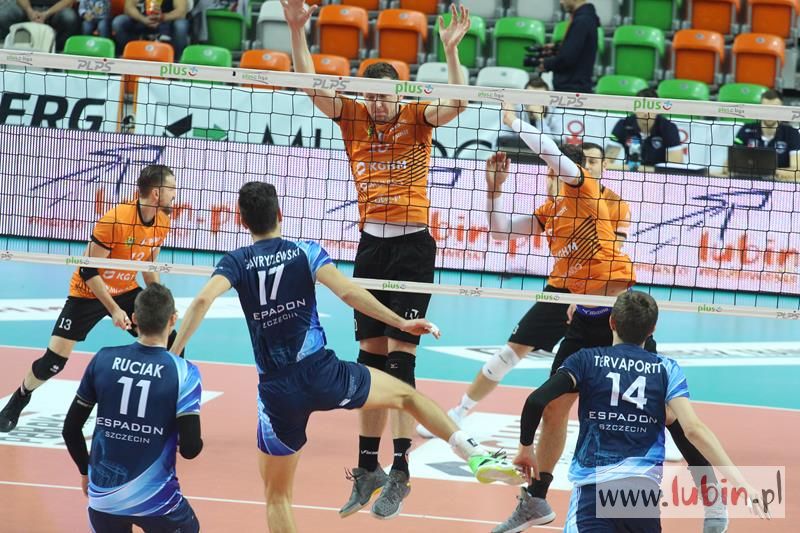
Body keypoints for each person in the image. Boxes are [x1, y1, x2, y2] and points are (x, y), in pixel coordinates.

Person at [169, 181, 523, 532]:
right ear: (280, 214)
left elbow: (201, 301)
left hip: (278, 393)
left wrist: (173, 357)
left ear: (242, 220)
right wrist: (400, 322)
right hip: (324, 375)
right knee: (407, 396)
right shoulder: (305, 251)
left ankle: (375, 469)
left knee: (277, 498)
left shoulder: (235, 261)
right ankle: (473, 453)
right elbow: (350, 293)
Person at [282, 0, 474, 518]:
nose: (378, 105)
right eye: (371, 97)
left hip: (412, 248)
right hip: (371, 245)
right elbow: (309, 84)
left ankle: (402, 470)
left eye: (385, 97)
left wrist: (451, 52)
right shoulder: (354, 117)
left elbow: (458, 103)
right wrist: (298, 30)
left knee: (400, 358)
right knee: (368, 357)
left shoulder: (417, 115)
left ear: (399, 94)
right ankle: (368, 467)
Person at [493, 291, 770, 532]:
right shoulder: (666, 368)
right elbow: (695, 430)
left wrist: (525, 448)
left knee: (668, 414)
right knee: (671, 414)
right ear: (653, 330)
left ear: (611, 322)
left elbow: (535, 400)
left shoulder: (586, 361)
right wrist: (743, 483)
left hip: (594, 491)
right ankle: (536, 498)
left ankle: (712, 499)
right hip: (639, 494)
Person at [416, 141, 632, 439]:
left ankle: (656, 428)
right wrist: (494, 190)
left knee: (627, 363)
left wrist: (587, 297)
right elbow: (500, 231)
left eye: (594, 162)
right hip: (559, 291)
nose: (589, 167)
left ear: (601, 167)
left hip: (598, 292)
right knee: (509, 353)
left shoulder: (612, 203)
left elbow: (610, 252)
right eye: (550, 174)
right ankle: (459, 413)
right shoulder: (552, 207)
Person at [0, 165, 179, 433]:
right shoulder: (116, 220)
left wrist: (163, 302)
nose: (175, 193)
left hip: (125, 289)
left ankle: (168, 411)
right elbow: (88, 270)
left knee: (172, 339)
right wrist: (115, 310)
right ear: (156, 193)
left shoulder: (162, 221)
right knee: (52, 363)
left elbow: (148, 265)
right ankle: (20, 397)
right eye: (172, 188)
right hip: (88, 292)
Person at [62, 283, 203, 533]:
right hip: (158, 501)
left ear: (135, 318)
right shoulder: (184, 372)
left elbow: (70, 429)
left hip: (103, 498)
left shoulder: (103, 359)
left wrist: (86, 472)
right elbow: (190, 449)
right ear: (173, 319)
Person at [730, 89, 800, 182]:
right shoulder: (746, 130)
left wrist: (768, 172)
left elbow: (797, 171)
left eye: (775, 110)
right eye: (766, 109)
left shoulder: (792, 133)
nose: (770, 114)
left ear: (782, 110)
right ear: (759, 110)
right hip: (748, 183)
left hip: (779, 185)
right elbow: (729, 165)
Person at [607, 88, 684, 169]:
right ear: (634, 109)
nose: (645, 113)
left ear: (658, 110)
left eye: (650, 108)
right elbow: (607, 162)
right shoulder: (623, 124)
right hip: (630, 174)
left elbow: (675, 167)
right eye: (642, 107)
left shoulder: (669, 128)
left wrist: (638, 170)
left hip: (659, 175)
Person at [537, 0, 599, 93]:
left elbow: (567, 58)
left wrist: (546, 64)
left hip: (572, 91)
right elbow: (578, 49)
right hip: (575, 88)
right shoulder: (585, 18)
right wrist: (558, 48)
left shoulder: (582, 21)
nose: (561, 2)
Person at [112, 0, 189, 57]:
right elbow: (128, 8)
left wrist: (163, 17)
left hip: (167, 22)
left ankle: (178, 60)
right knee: (119, 22)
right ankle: (126, 54)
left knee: (181, 25)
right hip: (141, 20)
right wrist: (143, 19)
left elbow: (181, 12)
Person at [0, 0, 80, 51]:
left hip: (55, 10)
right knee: (3, 15)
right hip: (28, 7)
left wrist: (46, 14)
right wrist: (29, 11)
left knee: (69, 17)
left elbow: (68, 1)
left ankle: (56, 51)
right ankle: (6, 49)